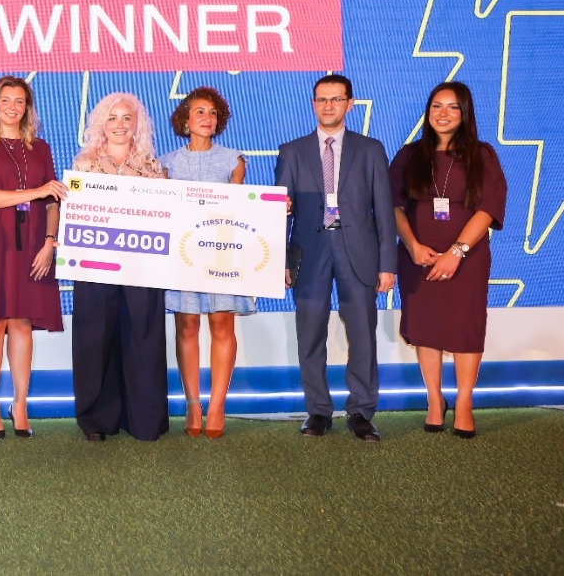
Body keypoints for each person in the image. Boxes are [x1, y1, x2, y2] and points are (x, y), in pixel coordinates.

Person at [275, 74, 396, 442]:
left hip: (358, 251)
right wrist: (280, 259)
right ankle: (318, 411)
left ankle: (361, 412)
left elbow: (384, 210)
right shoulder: (292, 151)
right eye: (322, 99)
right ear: (314, 104)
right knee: (310, 334)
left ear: (349, 104)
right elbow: (280, 211)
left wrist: (387, 264)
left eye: (336, 99)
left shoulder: (370, 149)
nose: (328, 105)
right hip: (309, 252)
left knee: (362, 335)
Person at [389, 81, 506, 438]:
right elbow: (394, 205)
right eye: (436, 106)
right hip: (419, 257)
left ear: (464, 113)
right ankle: (434, 400)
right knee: (426, 328)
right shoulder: (409, 155)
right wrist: (411, 245)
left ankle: (465, 402)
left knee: (465, 328)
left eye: (453, 107)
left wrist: (456, 252)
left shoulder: (481, 155)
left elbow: (488, 208)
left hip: (467, 258)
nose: (443, 113)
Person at [0, 76, 65, 439]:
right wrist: (36, 191)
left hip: (34, 244)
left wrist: (49, 242)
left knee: (22, 323)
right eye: (5, 100)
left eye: (19, 101)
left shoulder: (41, 148)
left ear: (27, 107)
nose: (12, 107)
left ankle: (19, 403)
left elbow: (53, 201)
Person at [70, 93, 170, 442]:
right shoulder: (84, 165)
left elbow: (165, 216)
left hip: (143, 267)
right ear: (101, 124)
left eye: (127, 118)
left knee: (143, 340)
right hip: (95, 267)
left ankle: (144, 420)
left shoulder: (152, 166)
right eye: (112, 118)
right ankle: (97, 421)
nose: (120, 125)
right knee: (96, 340)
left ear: (137, 124)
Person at [161, 87, 254, 439]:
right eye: (200, 111)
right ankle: (193, 404)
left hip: (222, 254)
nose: (207, 118)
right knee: (186, 327)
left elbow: (241, 206)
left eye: (213, 113)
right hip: (183, 257)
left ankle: (217, 405)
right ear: (185, 119)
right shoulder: (166, 163)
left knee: (221, 326)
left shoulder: (234, 160)